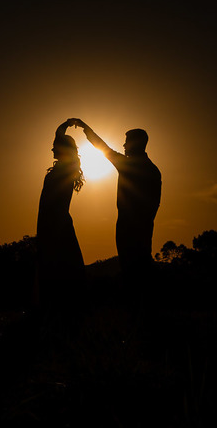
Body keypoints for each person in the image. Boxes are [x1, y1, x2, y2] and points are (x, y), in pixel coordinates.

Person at [69, 118, 161, 278]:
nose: (124, 146)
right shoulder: (153, 170)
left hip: (130, 230)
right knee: (140, 270)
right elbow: (155, 204)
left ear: (136, 144)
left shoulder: (130, 166)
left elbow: (104, 148)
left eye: (127, 142)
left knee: (134, 273)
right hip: (142, 230)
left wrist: (85, 128)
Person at [35, 120, 86, 314]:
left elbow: (54, 203)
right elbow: (58, 135)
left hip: (56, 223)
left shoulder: (66, 170)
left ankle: (60, 310)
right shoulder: (63, 168)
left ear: (63, 149)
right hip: (51, 221)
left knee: (59, 265)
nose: (52, 149)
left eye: (55, 147)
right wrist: (66, 123)